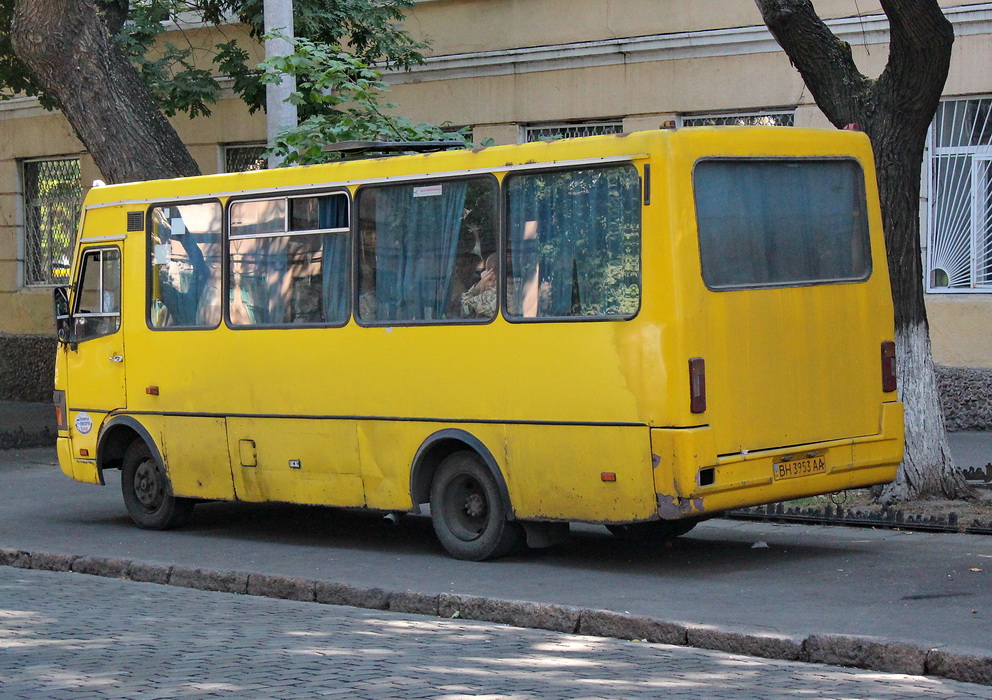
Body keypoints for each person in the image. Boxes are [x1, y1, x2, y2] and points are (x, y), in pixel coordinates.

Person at [461, 253, 498, 318]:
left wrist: (482, 282)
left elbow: (465, 306)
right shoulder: (519, 290)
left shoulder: (490, 297)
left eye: (486, 270)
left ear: (491, 273)